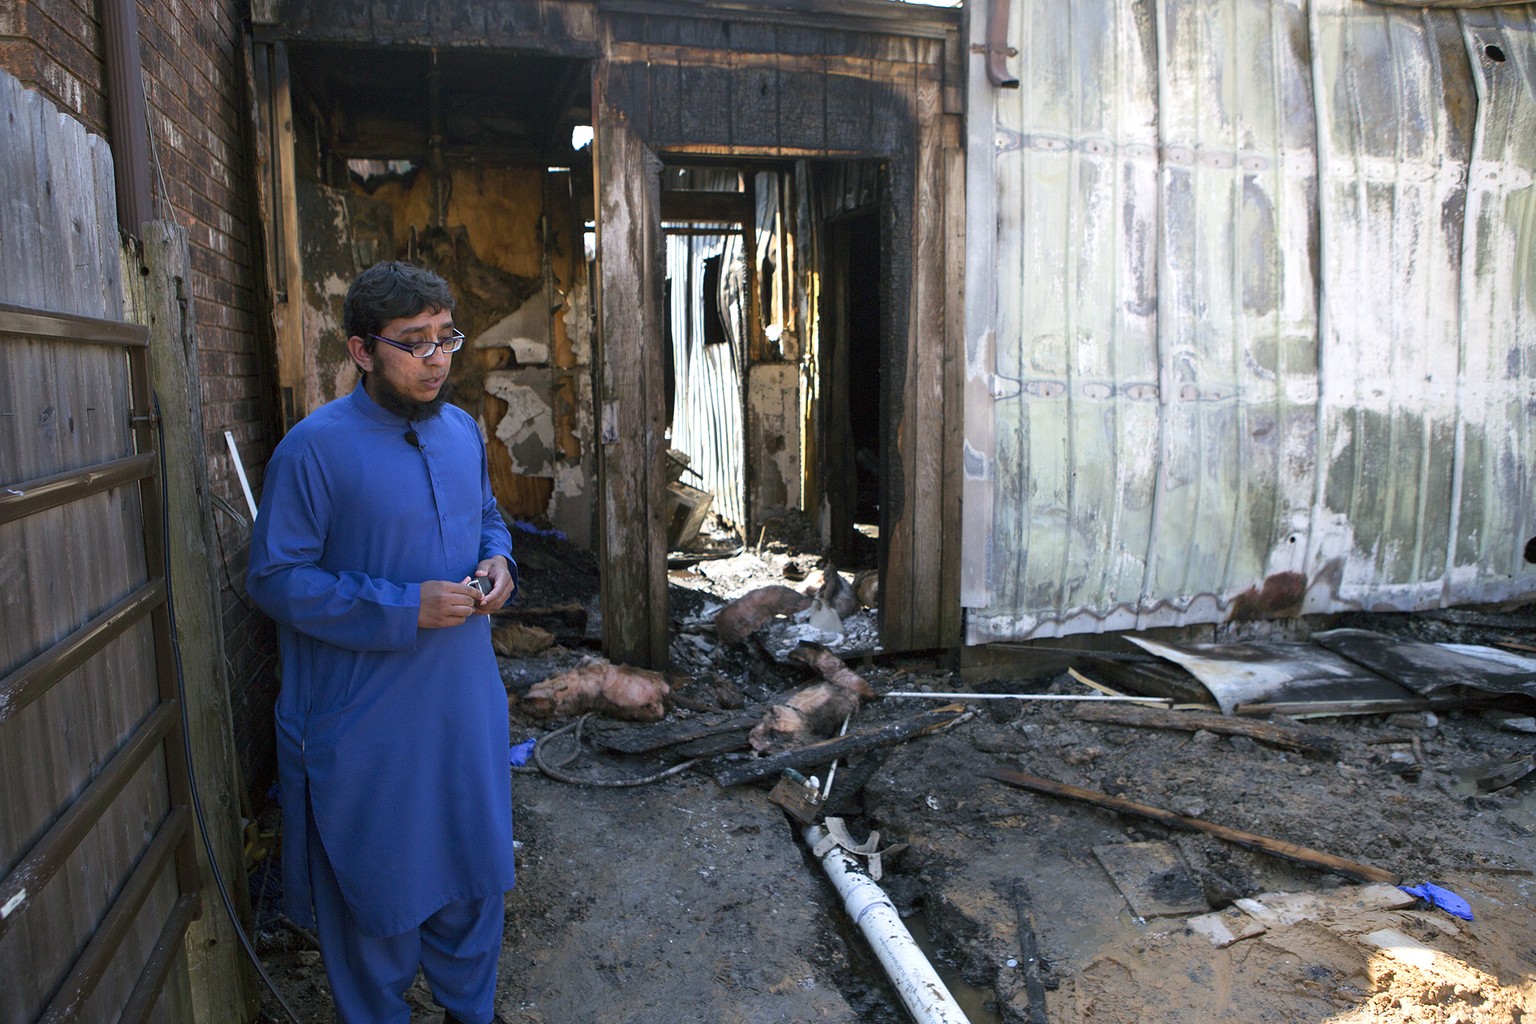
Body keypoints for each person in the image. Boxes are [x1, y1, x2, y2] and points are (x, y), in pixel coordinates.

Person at [248, 261, 517, 1024]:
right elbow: (274, 578)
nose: (437, 360)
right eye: (414, 344)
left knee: (474, 872)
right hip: (367, 720)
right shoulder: (314, 451)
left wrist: (500, 562)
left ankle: (473, 1010)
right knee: (378, 888)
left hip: (463, 707)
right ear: (362, 352)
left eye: (446, 339)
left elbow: (487, 519)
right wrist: (404, 607)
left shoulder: (463, 432)